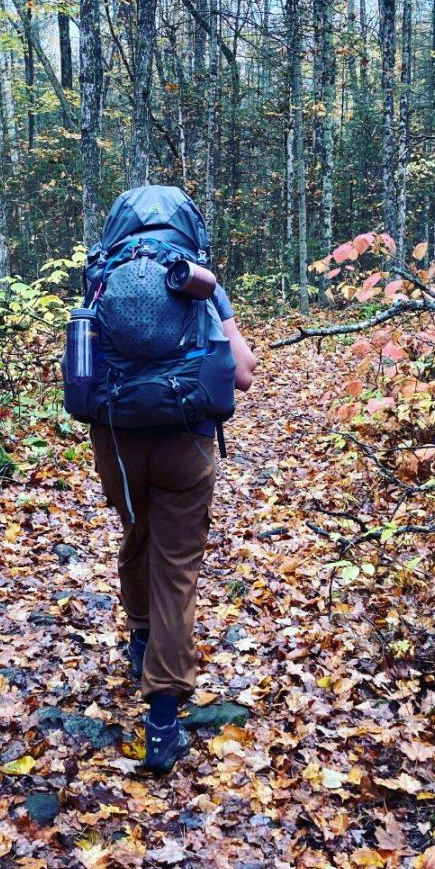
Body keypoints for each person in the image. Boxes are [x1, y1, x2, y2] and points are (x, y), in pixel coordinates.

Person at [90, 282, 256, 773]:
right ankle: (162, 724)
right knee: (176, 565)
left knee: (138, 534)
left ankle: (141, 642)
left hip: (117, 440)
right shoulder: (201, 284)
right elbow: (242, 373)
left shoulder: (105, 278)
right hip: (185, 438)